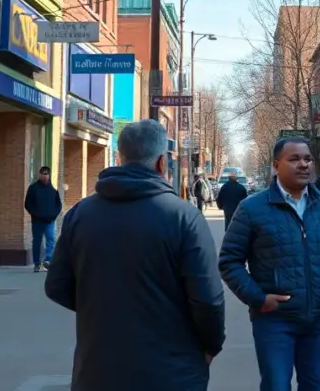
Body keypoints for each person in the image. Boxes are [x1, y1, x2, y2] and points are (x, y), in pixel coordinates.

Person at [45, 120, 226, 391]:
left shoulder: (80, 214)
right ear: (162, 163)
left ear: (120, 158)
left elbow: (57, 285)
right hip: (171, 370)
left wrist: (102, 306)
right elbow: (208, 299)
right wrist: (211, 346)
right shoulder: (184, 217)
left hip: (98, 369)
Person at [219, 138, 320, 391]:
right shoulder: (252, 208)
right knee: (276, 385)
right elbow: (230, 261)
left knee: (317, 385)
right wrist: (259, 299)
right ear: (276, 165)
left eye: (307, 159)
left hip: (318, 318)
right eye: (294, 159)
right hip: (274, 320)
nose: (303, 164)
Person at [24, 165, 62, 272]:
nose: (44, 176)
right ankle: (37, 263)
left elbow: (58, 205)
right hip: (37, 221)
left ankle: (48, 260)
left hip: (50, 221)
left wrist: (53, 215)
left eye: (46, 174)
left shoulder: (52, 190)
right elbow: (28, 204)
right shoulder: (33, 188)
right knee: (37, 241)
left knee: (51, 239)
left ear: (49, 175)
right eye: (42, 174)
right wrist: (35, 214)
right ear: (39, 175)